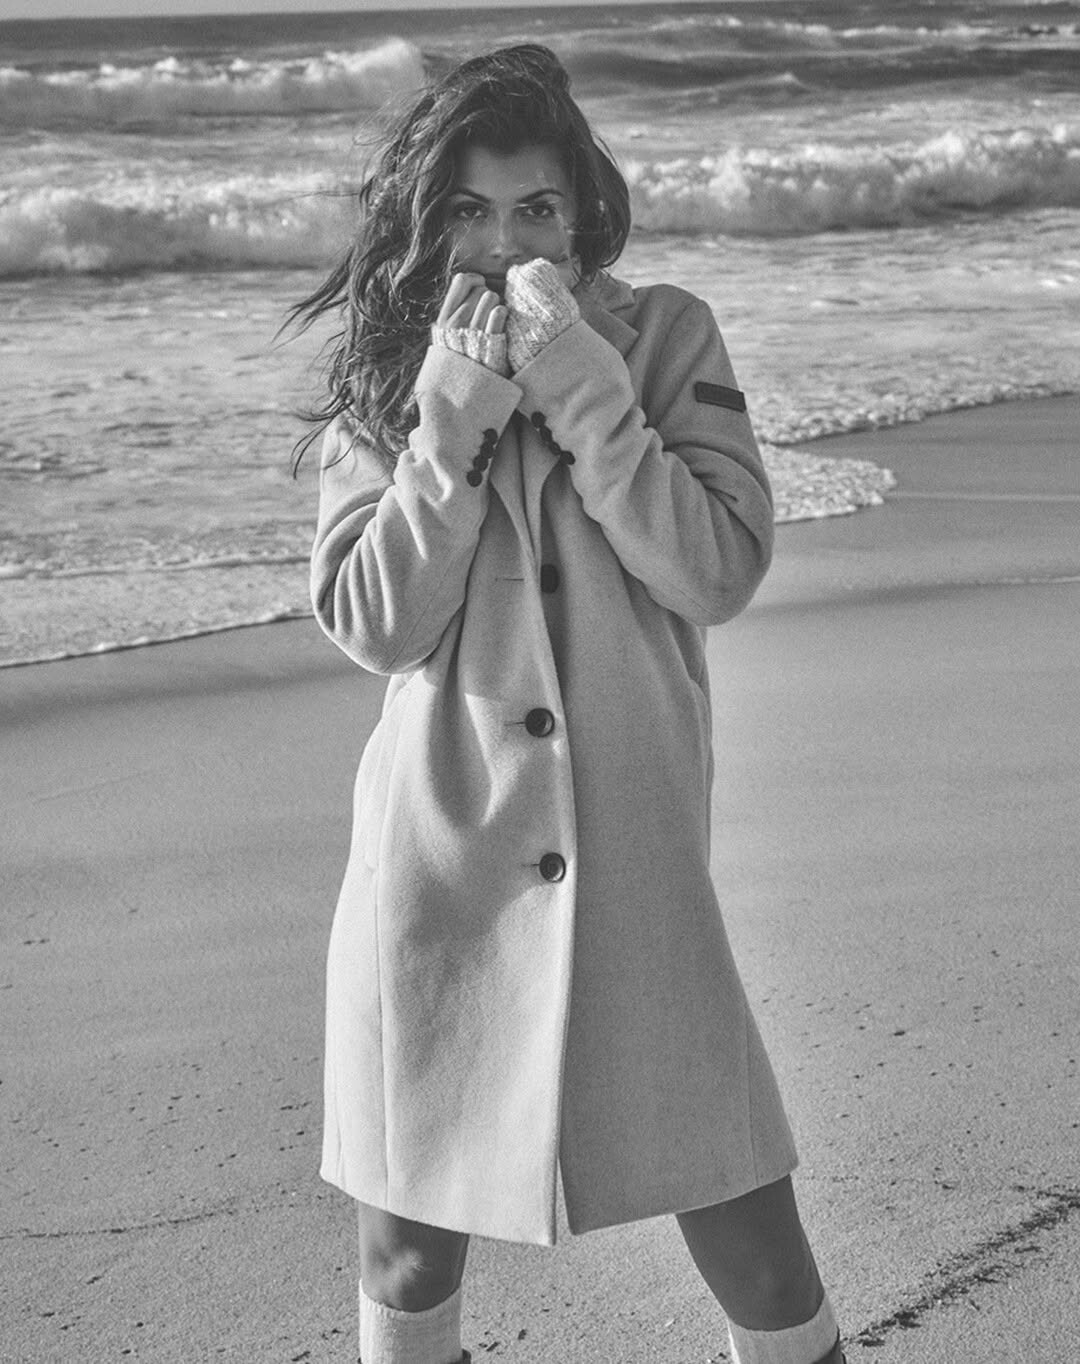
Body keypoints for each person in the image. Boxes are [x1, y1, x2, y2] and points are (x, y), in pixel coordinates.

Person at [292, 43, 846, 1364]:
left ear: (583, 210)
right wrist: (452, 417)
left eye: (535, 207)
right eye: (470, 212)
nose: (504, 245)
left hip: (633, 863)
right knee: (407, 1253)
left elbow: (715, 569)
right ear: (428, 224)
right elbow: (376, 621)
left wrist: (586, 387)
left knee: (754, 1237)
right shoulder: (387, 379)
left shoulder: (666, 335)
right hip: (436, 866)